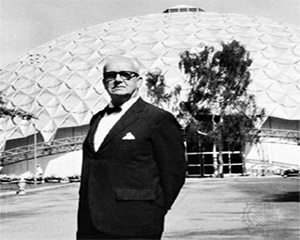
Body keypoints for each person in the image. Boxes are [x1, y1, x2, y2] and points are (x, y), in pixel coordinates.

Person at [77, 56, 187, 239]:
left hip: (137, 224)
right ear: (104, 82)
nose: (118, 79)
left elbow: (174, 173)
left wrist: (154, 211)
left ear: (139, 81)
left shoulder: (157, 119)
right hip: (90, 224)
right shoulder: (96, 119)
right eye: (111, 75)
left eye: (126, 75)